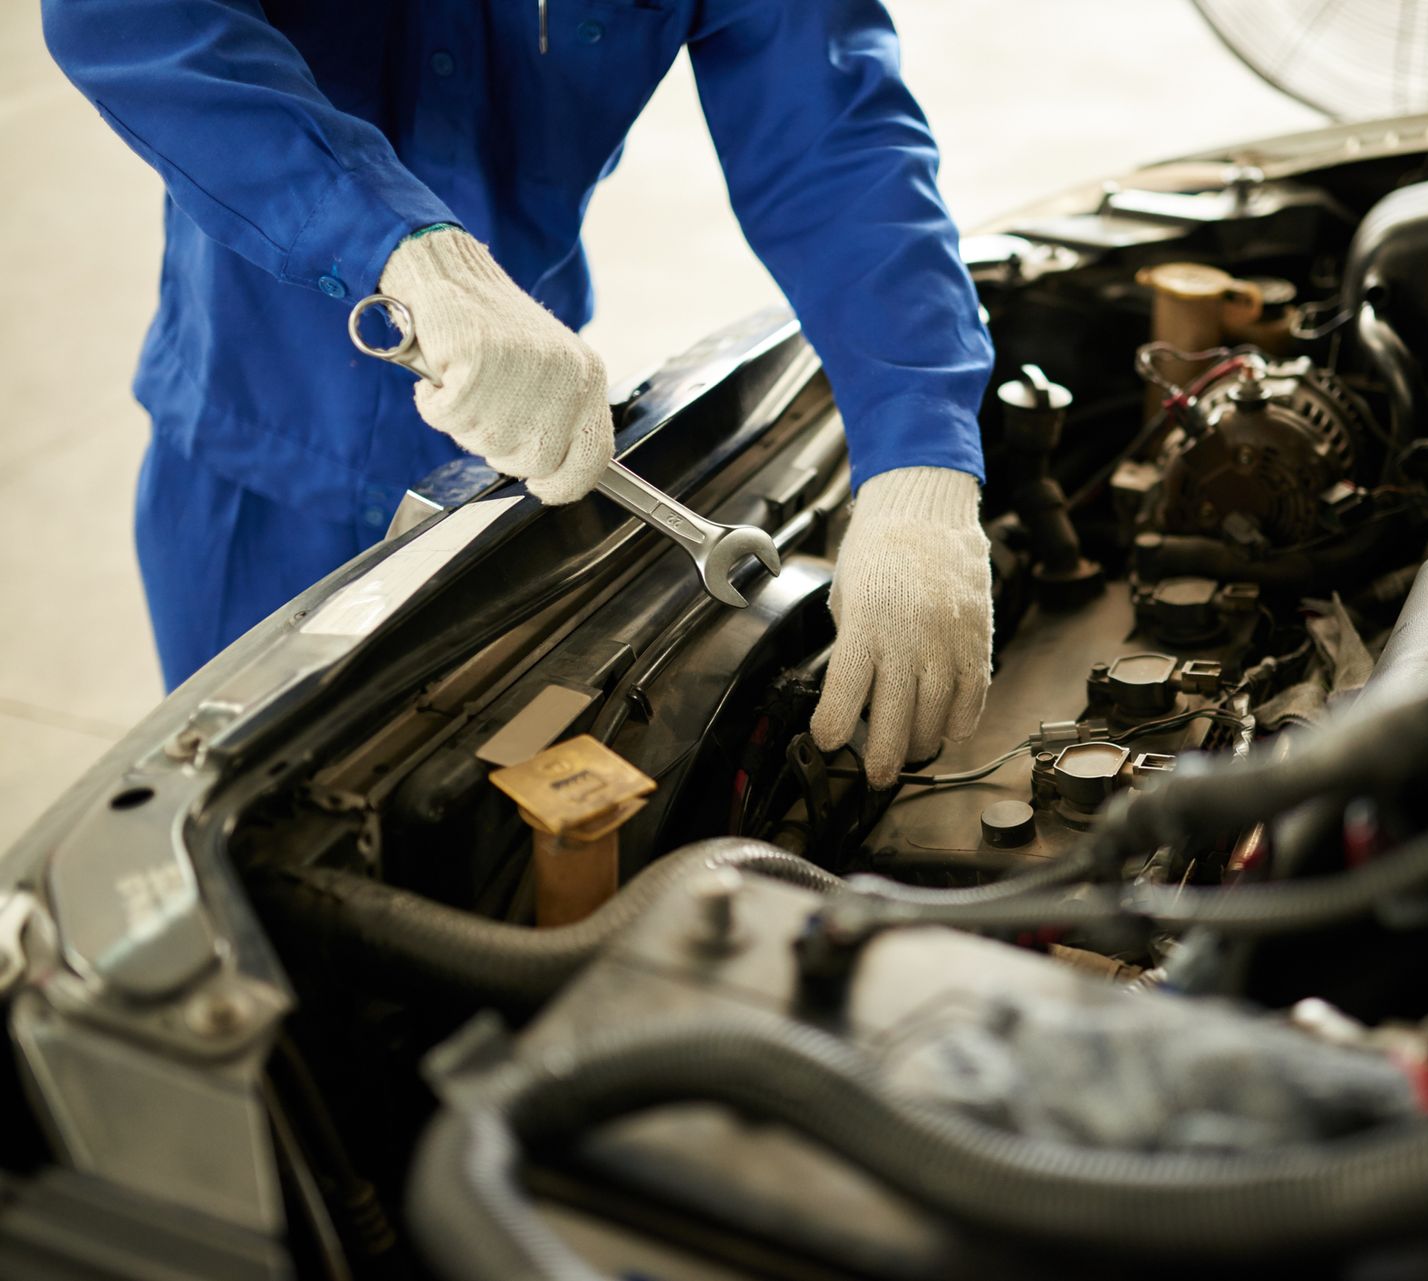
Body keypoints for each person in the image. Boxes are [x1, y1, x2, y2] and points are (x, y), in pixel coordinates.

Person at [41, 0, 995, 787]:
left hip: (509, 453)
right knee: (235, 819)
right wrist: (396, 244)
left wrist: (921, 454)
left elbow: (834, 141)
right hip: (255, 454)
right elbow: (127, 16)